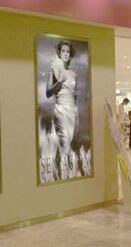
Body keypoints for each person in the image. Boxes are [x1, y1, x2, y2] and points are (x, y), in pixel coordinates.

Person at [46, 40, 79, 179]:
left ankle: (63, 172)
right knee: (64, 140)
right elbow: (48, 92)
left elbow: (75, 95)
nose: (66, 54)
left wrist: (76, 111)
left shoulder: (73, 74)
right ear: (59, 53)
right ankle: (63, 174)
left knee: (68, 140)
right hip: (60, 108)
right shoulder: (54, 70)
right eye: (63, 51)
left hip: (72, 110)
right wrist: (59, 81)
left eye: (68, 51)